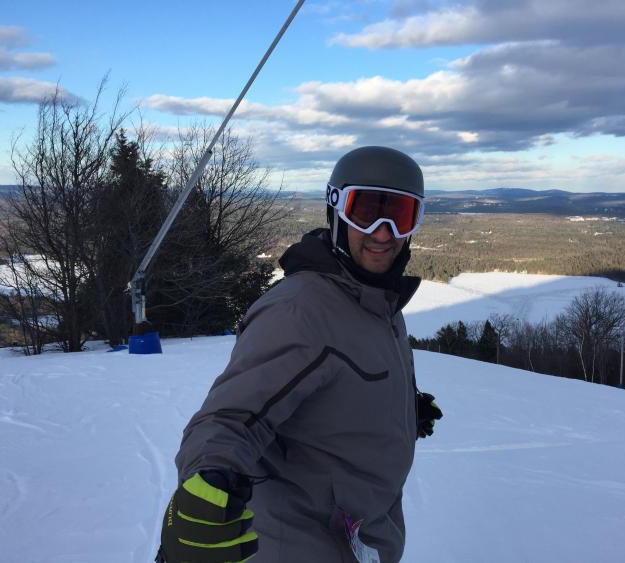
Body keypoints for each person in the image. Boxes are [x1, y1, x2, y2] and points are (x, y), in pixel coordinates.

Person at [156, 146, 443, 563]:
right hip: (298, 542)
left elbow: (339, 378)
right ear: (336, 210)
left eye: (399, 215)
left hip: (357, 537)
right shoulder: (299, 310)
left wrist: (403, 409)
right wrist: (206, 480)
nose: (383, 233)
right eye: (366, 212)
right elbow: (229, 418)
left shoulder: (378, 302)